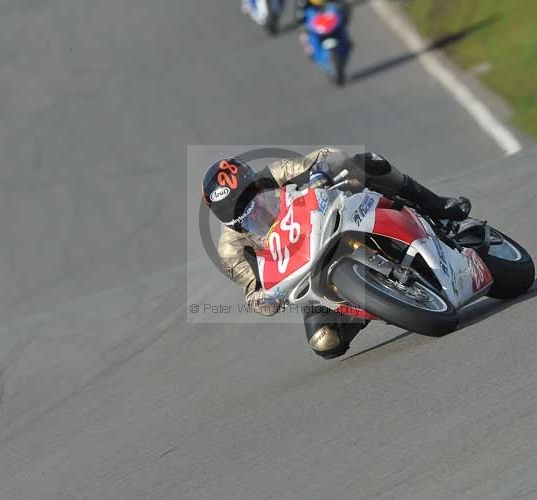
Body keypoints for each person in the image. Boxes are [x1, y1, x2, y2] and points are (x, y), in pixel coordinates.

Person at [201, 149, 471, 359]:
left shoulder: (275, 174)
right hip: (306, 273)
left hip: (333, 221)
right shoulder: (231, 250)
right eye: (235, 206)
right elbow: (253, 292)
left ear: (255, 182)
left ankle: (435, 205)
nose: (250, 204)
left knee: (367, 162)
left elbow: (325, 157)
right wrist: (268, 298)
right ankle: (379, 302)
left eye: (250, 192)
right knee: (325, 342)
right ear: (221, 215)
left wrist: (322, 172)